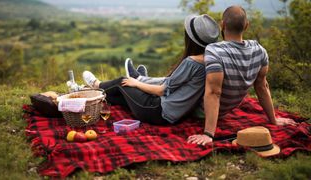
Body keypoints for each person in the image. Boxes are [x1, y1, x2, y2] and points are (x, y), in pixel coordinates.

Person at [187, 6, 297, 146]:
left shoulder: (214, 51)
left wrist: (208, 134)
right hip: (226, 109)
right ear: (246, 25)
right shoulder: (259, 51)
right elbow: (262, 86)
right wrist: (273, 119)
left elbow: (214, 93)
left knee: (161, 88)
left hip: (198, 111)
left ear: (223, 25)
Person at [82, 14, 220, 125]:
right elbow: (172, 85)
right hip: (176, 114)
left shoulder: (192, 62)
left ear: (190, 39)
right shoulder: (212, 62)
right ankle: (87, 96)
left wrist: (136, 83)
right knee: (121, 97)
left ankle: (96, 85)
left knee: (123, 81)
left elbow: (162, 90)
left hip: (159, 112)